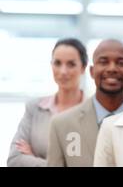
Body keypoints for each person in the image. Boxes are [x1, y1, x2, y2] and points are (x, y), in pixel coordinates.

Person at [46, 39, 123, 167]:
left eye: (121, 63)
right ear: (91, 71)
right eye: (103, 62)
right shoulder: (61, 124)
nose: (112, 68)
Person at [7, 38, 87, 167]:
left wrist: (32, 158)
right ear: (51, 65)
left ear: (83, 68)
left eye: (71, 64)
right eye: (57, 63)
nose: (63, 71)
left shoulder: (93, 112)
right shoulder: (34, 108)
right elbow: (14, 160)